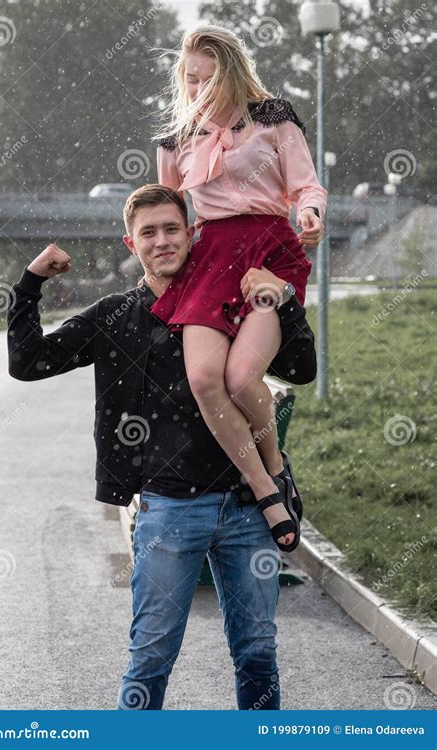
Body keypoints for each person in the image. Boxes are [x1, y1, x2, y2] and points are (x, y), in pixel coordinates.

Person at [7, 184, 316, 710]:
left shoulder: (236, 299)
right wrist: (31, 281)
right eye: (149, 233)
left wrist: (280, 300)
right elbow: (29, 361)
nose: (162, 241)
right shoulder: (114, 316)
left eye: (172, 228)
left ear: (193, 233)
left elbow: (301, 370)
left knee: (258, 652)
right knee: (150, 657)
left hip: (250, 510)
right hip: (169, 510)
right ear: (132, 244)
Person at [150, 25, 327, 553]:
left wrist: (311, 212)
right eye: (189, 80)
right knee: (206, 379)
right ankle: (265, 487)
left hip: (269, 253)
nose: (196, 89)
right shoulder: (175, 138)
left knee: (243, 376)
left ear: (229, 73)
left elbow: (306, 183)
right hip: (209, 258)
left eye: (205, 79)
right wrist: (154, 254)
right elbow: (171, 208)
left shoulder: (273, 116)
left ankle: (275, 467)